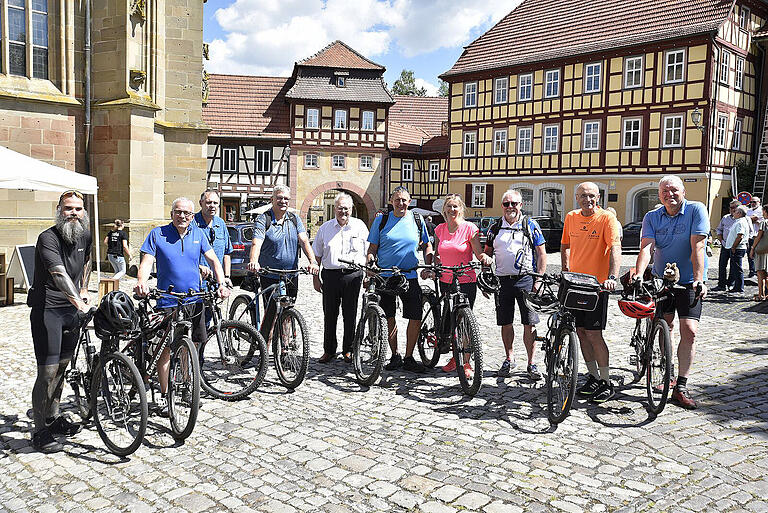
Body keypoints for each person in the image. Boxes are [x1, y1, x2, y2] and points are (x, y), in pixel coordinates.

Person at [135, 197, 230, 413]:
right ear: (172, 214)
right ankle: (164, 393)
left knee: (192, 346)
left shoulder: (198, 234)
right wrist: (141, 282)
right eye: (178, 212)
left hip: (194, 300)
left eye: (187, 213)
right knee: (165, 349)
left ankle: (187, 387)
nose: (183, 216)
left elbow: (214, 260)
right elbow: (147, 261)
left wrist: (222, 283)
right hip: (167, 301)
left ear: (192, 215)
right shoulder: (157, 234)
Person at [633, 175, 708, 410]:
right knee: (666, 326)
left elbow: (698, 246)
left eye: (674, 190)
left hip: (687, 281)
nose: (669, 195)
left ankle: (681, 385)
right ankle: (668, 372)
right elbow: (646, 246)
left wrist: (698, 280)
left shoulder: (696, 210)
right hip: (661, 279)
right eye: (664, 191)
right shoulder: (652, 217)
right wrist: (638, 273)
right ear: (659, 195)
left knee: (690, 330)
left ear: (683, 191)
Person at [27, 190, 93, 452]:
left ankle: (53, 417)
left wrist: (85, 289)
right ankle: (39, 430)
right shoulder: (48, 238)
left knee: (64, 366)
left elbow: (86, 261)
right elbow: (58, 273)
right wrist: (78, 301)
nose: (73, 213)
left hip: (71, 313)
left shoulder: (84, 234)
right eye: (68, 209)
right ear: (59, 210)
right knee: (47, 372)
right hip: (48, 311)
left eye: (78, 209)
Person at [561, 182, 621, 403]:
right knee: (581, 332)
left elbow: (615, 248)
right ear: (577, 198)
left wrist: (612, 278)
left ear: (598, 197)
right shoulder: (571, 217)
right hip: (575, 285)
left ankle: (606, 381)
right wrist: (565, 271)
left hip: (597, 286)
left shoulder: (606, 218)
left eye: (591, 196)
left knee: (595, 334)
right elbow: (565, 245)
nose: (587, 200)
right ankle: (593, 376)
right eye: (583, 196)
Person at [367, 186, 433, 373]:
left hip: (410, 275)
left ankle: (409, 357)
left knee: (415, 316)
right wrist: (371, 262)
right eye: (397, 200)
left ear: (410, 201)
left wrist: (428, 265)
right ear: (391, 201)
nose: (401, 203)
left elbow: (427, 245)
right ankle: (395, 355)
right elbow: (372, 249)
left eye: (404, 200)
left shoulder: (417, 220)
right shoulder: (382, 220)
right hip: (386, 275)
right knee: (388, 316)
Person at [483, 189, 547, 380]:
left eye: (514, 203)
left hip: (526, 279)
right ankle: (509, 358)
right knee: (506, 322)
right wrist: (486, 271)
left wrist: (539, 279)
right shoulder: (495, 228)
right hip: (503, 281)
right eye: (506, 204)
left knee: (530, 323)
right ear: (502, 206)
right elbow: (487, 252)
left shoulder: (530, 225)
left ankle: (531, 363)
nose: (510, 207)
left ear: (521, 205)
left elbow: (542, 253)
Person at [246, 185, 319, 341]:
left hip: (291, 274)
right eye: (279, 198)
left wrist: (312, 261)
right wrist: (253, 261)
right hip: (269, 274)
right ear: (272, 199)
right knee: (270, 313)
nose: (283, 201)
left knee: (288, 310)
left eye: (286, 198)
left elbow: (304, 241)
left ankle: (285, 348)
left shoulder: (294, 219)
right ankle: (265, 346)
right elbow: (256, 243)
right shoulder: (263, 219)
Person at [431, 194, 492, 377]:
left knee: (464, 321)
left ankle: (465, 362)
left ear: (461, 209)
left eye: (455, 206)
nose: (452, 210)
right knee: (450, 319)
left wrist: (485, 258)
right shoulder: (439, 230)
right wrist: (434, 267)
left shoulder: (469, 228)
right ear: (444, 210)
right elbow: (437, 253)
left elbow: (478, 252)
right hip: (446, 279)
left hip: (466, 280)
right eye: (449, 207)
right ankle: (453, 356)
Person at [312, 193, 369, 363]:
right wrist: (315, 278)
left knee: (350, 314)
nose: (343, 211)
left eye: (346, 208)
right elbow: (317, 255)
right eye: (340, 208)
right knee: (329, 314)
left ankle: (348, 349)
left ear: (351, 209)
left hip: (353, 276)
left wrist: (368, 275)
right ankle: (329, 350)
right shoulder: (325, 228)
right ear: (335, 209)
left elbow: (368, 252)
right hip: (330, 276)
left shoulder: (360, 227)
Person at [194, 190, 233, 287]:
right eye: (208, 202)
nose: (212, 206)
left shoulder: (221, 223)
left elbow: (227, 253)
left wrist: (227, 276)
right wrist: (198, 267)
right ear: (200, 203)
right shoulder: (191, 223)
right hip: (196, 281)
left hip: (216, 282)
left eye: (215, 203)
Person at [712, 200, 740, 292]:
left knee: (733, 266)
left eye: (733, 207)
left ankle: (731, 284)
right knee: (722, 265)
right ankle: (721, 284)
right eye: (730, 207)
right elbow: (719, 229)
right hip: (724, 245)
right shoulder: (725, 218)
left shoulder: (741, 219)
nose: (731, 209)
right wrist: (721, 240)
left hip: (735, 246)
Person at [724, 204, 750, 294]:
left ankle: (739, 287)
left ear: (739, 213)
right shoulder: (739, 221)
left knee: (737, 268)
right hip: (737, 247)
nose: (733, 213)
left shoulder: (740, 222)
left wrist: (734, 247)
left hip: (738, 248)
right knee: (735, 268)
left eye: (735, 211)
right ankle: (737, 286)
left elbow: (740, 236)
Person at [749, 204, 768, 300]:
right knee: (767, 275)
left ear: (765, 212)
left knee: (760, 274)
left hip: (761, 250)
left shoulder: (764, 223)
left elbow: (759, 236)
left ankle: (761, 295)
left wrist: (752, 248)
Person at [746, 196, 763, 278]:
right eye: (751, 202)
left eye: (754, 202)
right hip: (750, 235)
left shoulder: (761, 210)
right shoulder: (749, 210)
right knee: (749, 254)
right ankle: (752, 270)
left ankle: (758, 271)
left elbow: (753, 219)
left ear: (759, 202)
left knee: (757, 254)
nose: (752, 203)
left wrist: (745, 218)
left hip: (758, 235)